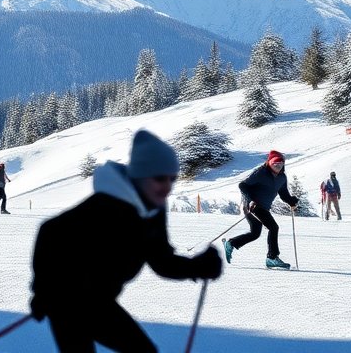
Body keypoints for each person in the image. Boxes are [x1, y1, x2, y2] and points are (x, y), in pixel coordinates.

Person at [30, 130, 221, 353]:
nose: (167, 186)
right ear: (140, 176)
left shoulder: (153, 210)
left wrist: (197, 267)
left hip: (100, 303)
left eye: (172, 178)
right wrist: (43, 289)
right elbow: (51, 232)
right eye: (160, 177)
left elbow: (161, 262)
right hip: (66, 302)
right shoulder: (106, 204)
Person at [224, 150, 299, 269]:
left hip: (263, 208)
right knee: (273, 227)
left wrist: (291, 201)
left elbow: (283, 194)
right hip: (252, 206)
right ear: (269, 163)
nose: (278, 166)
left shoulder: (282, 178)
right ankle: (272, 258)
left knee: (255, 233)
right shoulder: (261, 173)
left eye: (280, 164)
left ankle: (232, 243)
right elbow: (243, 185)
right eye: (275, 164)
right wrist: (251, 200)